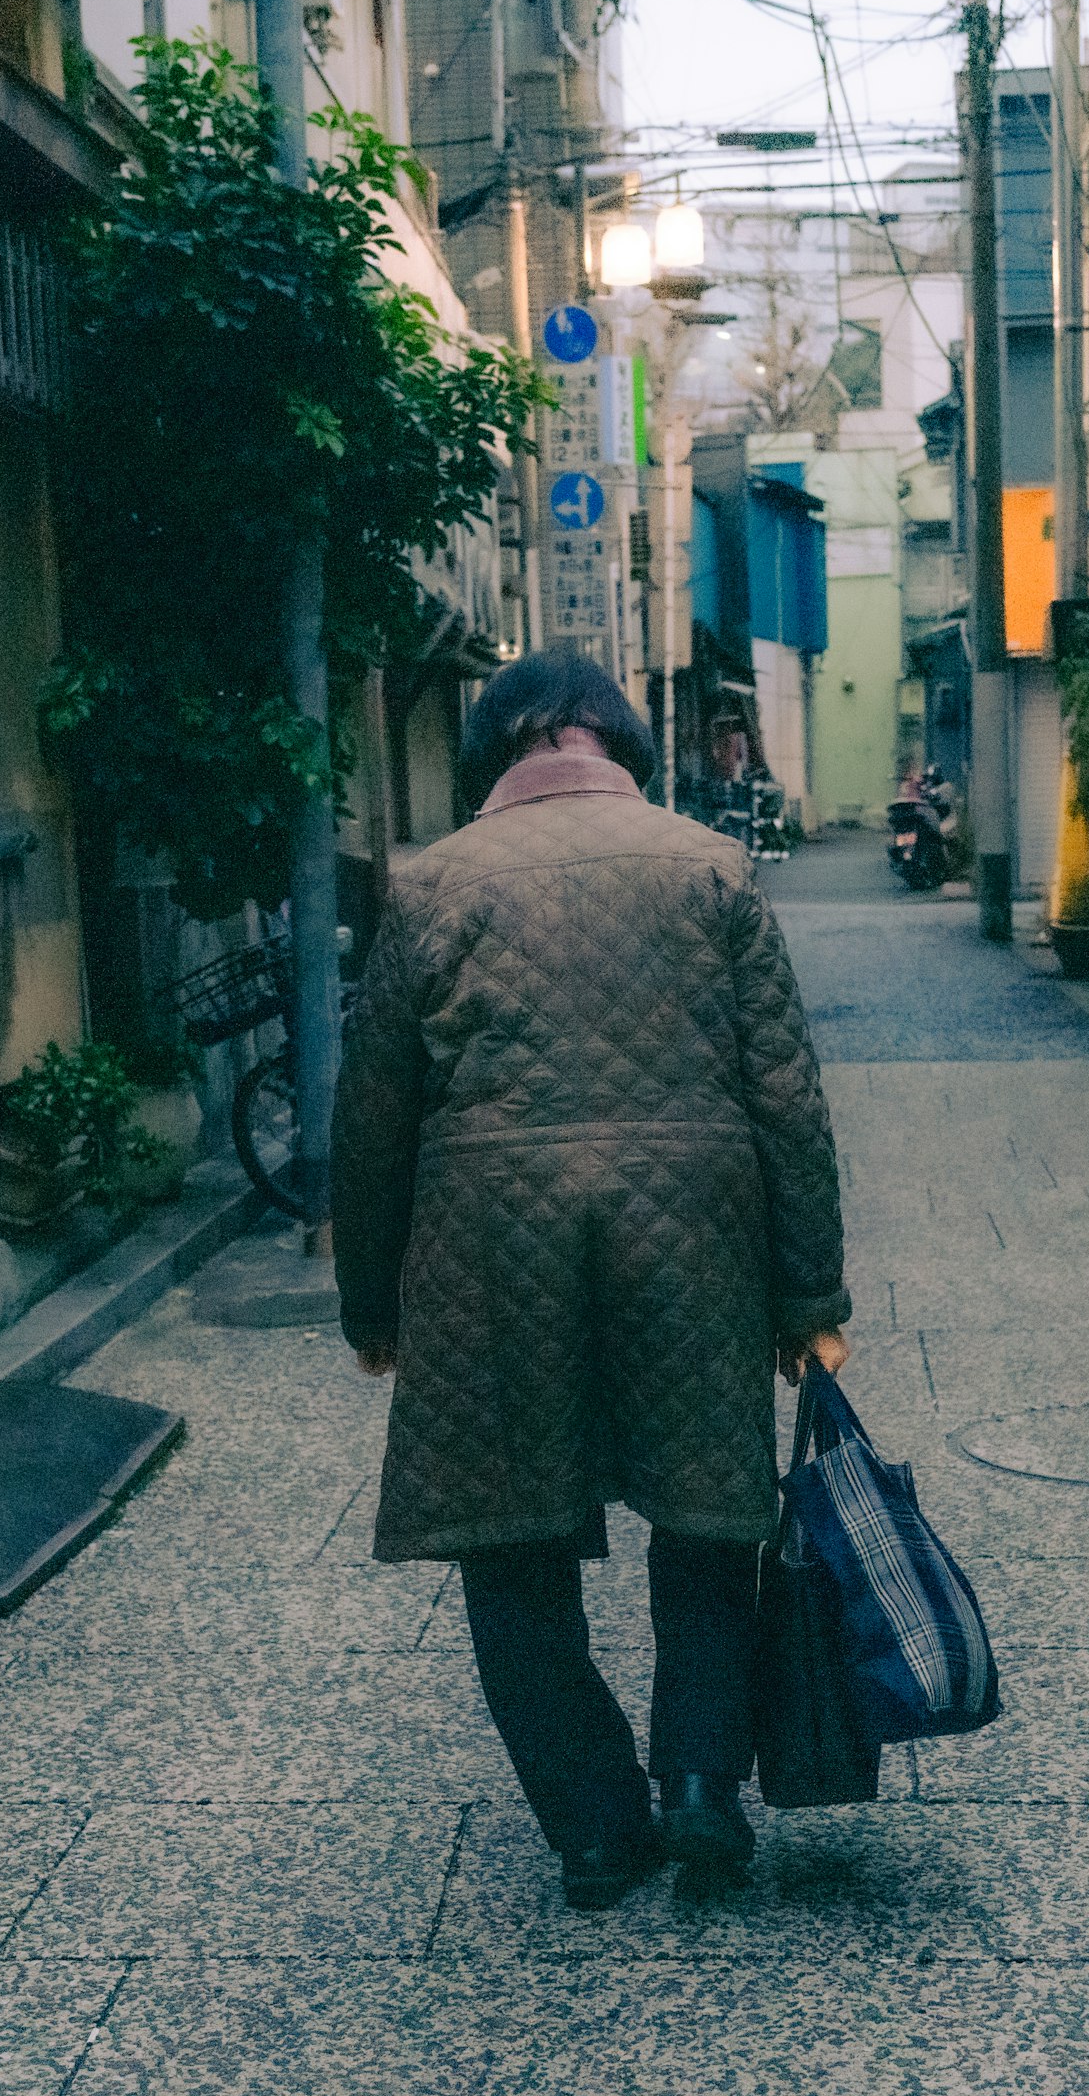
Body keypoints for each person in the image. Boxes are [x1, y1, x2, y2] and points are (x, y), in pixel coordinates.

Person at [334, 653, 853, 1910]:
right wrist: (811, 1301)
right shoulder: (711, 868)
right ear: (618, 742)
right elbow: (787, 1100)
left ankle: (593, 1824)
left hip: (486, 1246)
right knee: (706, 1516)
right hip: (697, 1235)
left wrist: (372, 1309)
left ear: (494, 756)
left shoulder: (429, 883)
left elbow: (372, 1124)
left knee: (509, 1539)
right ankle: (695, 1787)